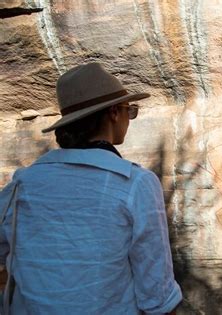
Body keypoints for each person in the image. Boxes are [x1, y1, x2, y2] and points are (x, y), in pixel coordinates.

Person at [0, 63, 182, 314]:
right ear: (114, 113)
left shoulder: (23, 183)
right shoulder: (135, 183)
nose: (129, 119)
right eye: (130, 111)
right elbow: (158, 296)